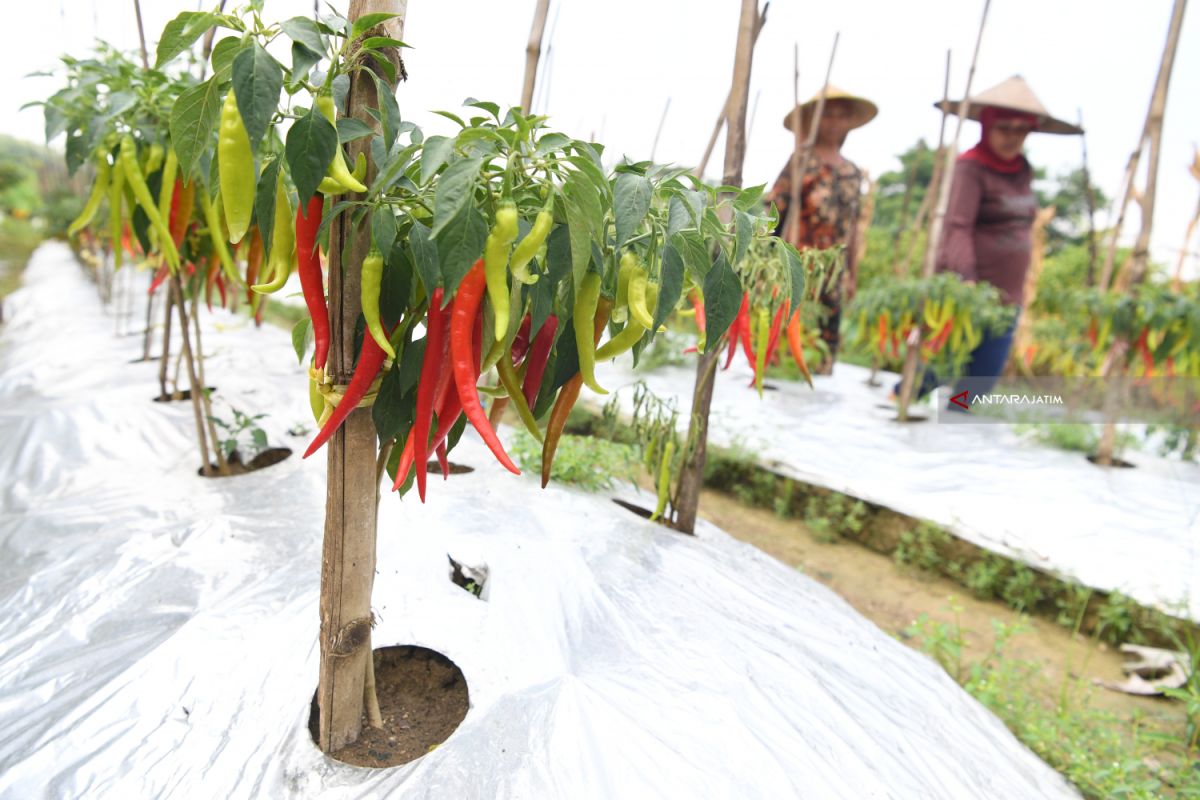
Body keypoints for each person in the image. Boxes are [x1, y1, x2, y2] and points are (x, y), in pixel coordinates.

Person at [899, 75, 1083, 405]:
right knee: (935, 367)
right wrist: (966, 279)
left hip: (1007, 296)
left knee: (978, 384)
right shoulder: (970, 168)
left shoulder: (1022, 169)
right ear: (987, 126)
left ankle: (955, 429)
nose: (1012, 137)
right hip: (969, 291)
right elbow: (957, 226)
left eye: (1020, 129)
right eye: (1004, 128)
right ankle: (899, 407)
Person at [766, 85, 877, 374]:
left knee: (822, 349)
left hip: (833, 273)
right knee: (787, 342)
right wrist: (767, 260)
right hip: (799, 264)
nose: (835, 123)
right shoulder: (801, 162)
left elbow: (852, 227)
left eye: (842, 116)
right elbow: (774, 212)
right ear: (815, 119)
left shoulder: (852, 172)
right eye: (828, 115)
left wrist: (851, 272)